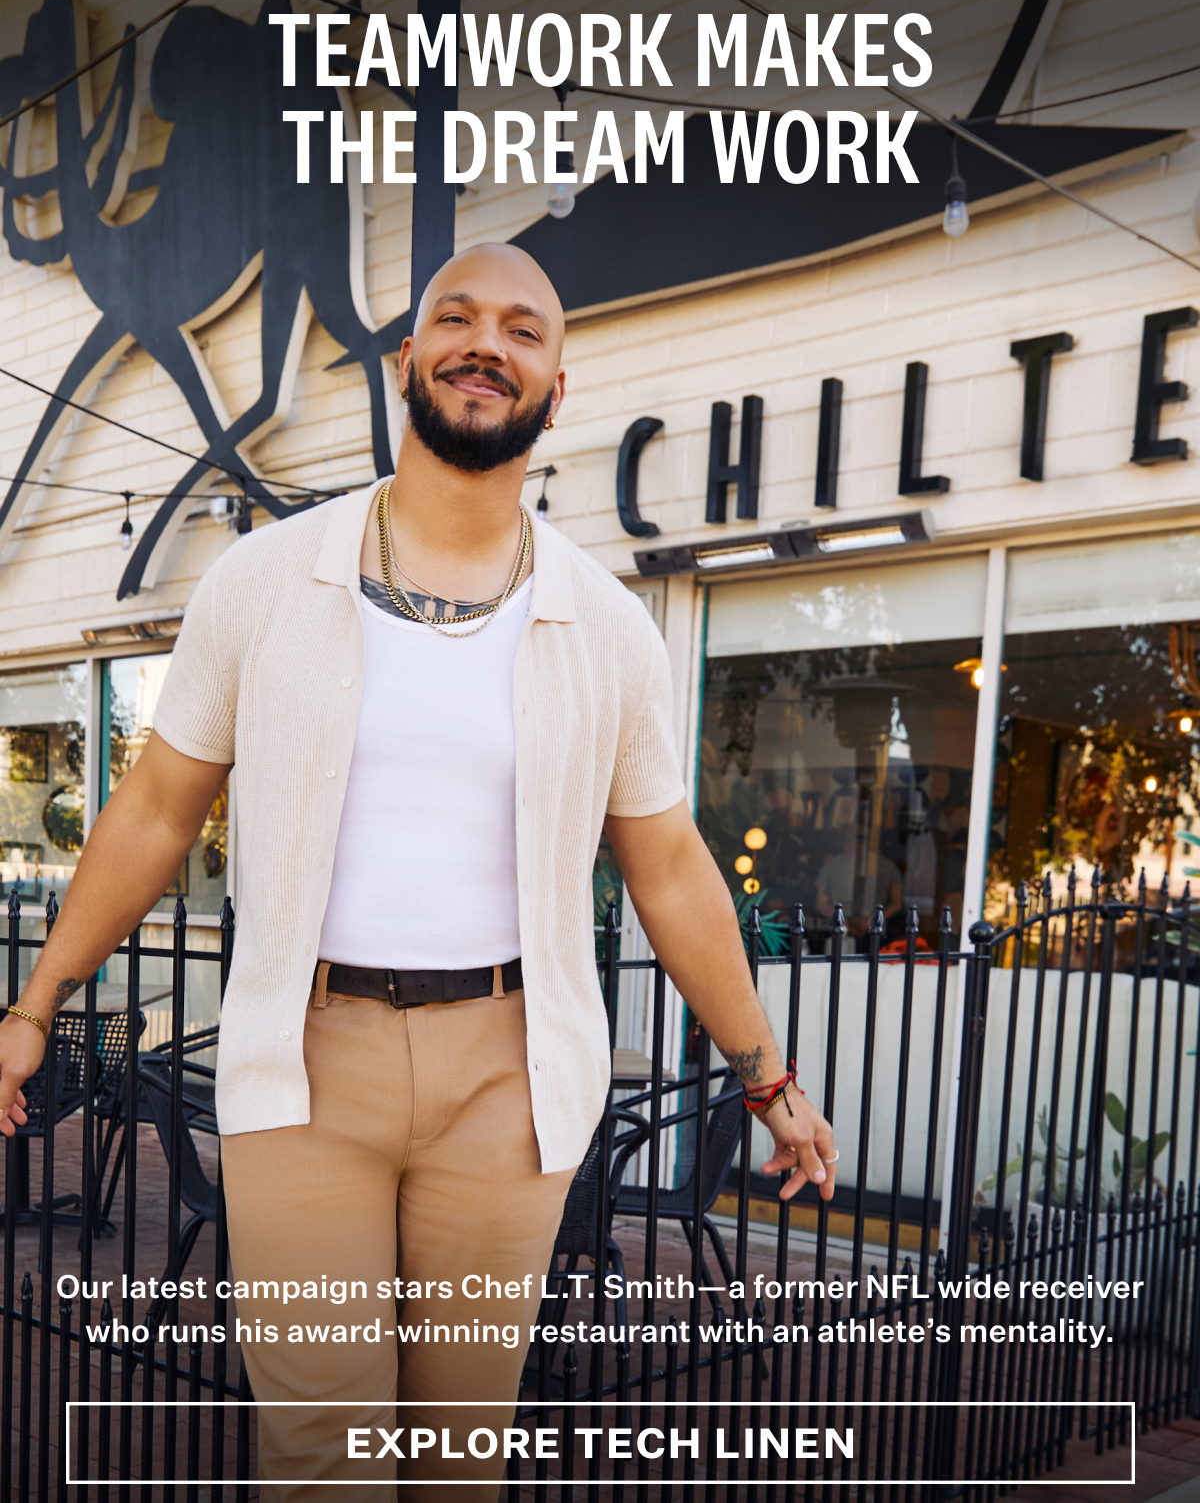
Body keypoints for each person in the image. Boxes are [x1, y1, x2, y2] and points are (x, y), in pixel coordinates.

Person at [0, 243, 838, 1500]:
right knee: (321, 1459)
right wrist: (34, 1004)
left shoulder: (607, 625)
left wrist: (765, 1076)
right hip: (305, 1065)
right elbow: (155, 812)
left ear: (559, 383)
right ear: (409, 363)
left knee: (458, 1462)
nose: (485, 343)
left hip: (506, 1079)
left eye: (522, 329)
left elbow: (668, 865)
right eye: (456, 317)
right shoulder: (266, 580)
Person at [815, 815, 903, 945]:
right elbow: (820, 903)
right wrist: (844, 921)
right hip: (838, 932)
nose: (854, 844)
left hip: (876, 933)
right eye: (849, 839)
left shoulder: (888, 867)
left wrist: (874, 919)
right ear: (844, 842)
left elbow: (897, 902)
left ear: (869, 843)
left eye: (859, 840)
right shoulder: (832, 865)